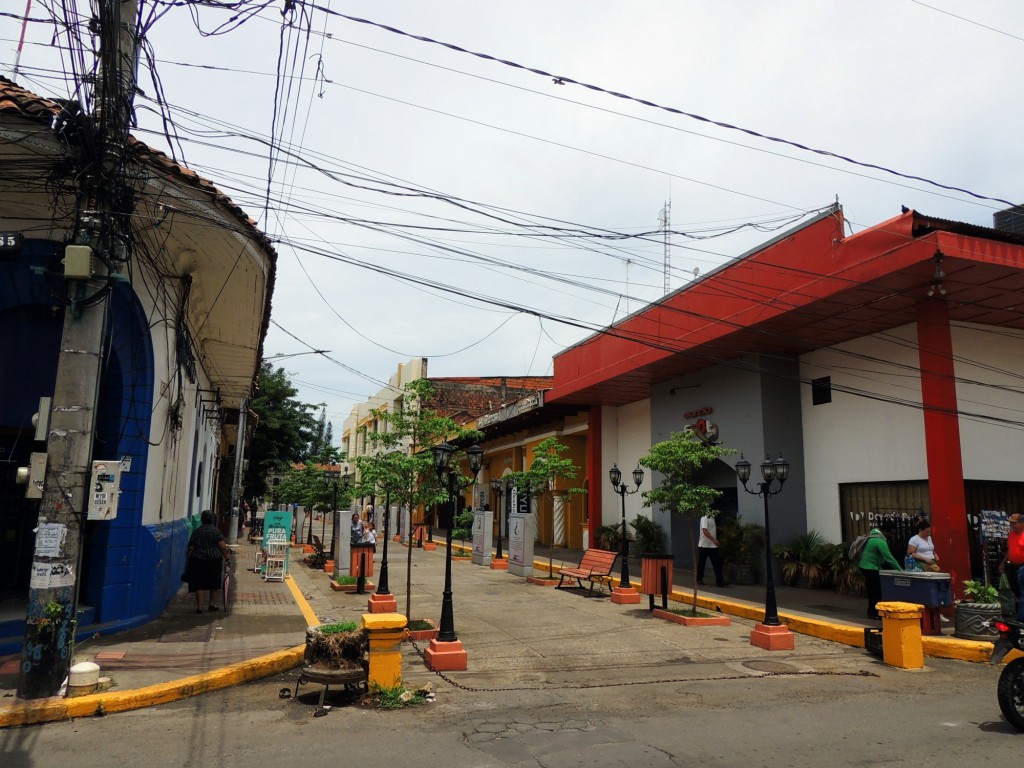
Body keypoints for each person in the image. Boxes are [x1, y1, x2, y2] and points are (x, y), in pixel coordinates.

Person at [186, 510, 230, 613]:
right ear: (212, 520)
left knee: (199, 584)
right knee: (214, 583)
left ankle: (200, 607)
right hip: (213, 561)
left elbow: (191, 548)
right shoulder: (216, 531)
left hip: (198, 560)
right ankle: (212, 605)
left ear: (201, 520)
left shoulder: (197, 532)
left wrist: (188, 560)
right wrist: (227, 557)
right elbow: (222, 546)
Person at [858, 521, 903, 620]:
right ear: (886, 531)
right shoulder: (879, 541)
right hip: (870, 567)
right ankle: (874, 612)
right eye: (892, 533)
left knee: (873, 590)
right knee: (876, 591)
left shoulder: (873, 536)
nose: (893, 535)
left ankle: (872, 611)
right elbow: (889, 558)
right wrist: (901, 570)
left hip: (867, 566)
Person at [999, 514, 1024, 614]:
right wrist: (1003, 563)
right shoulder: (1012, 534)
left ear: (1022, 523)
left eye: (1014, 523)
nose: (1012, 525)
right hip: (1013, 566)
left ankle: (1021, 618)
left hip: (1023, 566)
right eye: (1011, 523)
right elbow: (1011, 550)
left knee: (1022, 591)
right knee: (1015, 589)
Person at [697, 513, 727, 587]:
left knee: (717, 563)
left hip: (713, 546)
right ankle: (699, 579)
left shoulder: (713, 518)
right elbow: (705, 530)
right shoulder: (704, 518)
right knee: (702, 563)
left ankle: (720, 581)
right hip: (704, 545)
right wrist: (714, 539)